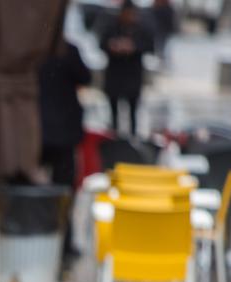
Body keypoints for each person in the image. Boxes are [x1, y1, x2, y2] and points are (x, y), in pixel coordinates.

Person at [37, 38, 91, 259]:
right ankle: (63, 243)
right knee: (64, 191)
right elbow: (85, 77)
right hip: (62, 133)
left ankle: (40, 236)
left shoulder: (29, 49)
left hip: (36, 131)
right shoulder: (67, 50)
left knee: (33, 188)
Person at [100, 0, 153, 138]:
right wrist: (113, 46)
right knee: (114, 114)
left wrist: (133, 47)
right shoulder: (112, 26)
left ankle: (133, 140)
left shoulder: (141, 28)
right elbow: (102, 42)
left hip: (132, 77)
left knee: (133, 113)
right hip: (115, 76)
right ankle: (113, 139)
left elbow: (149, 45)